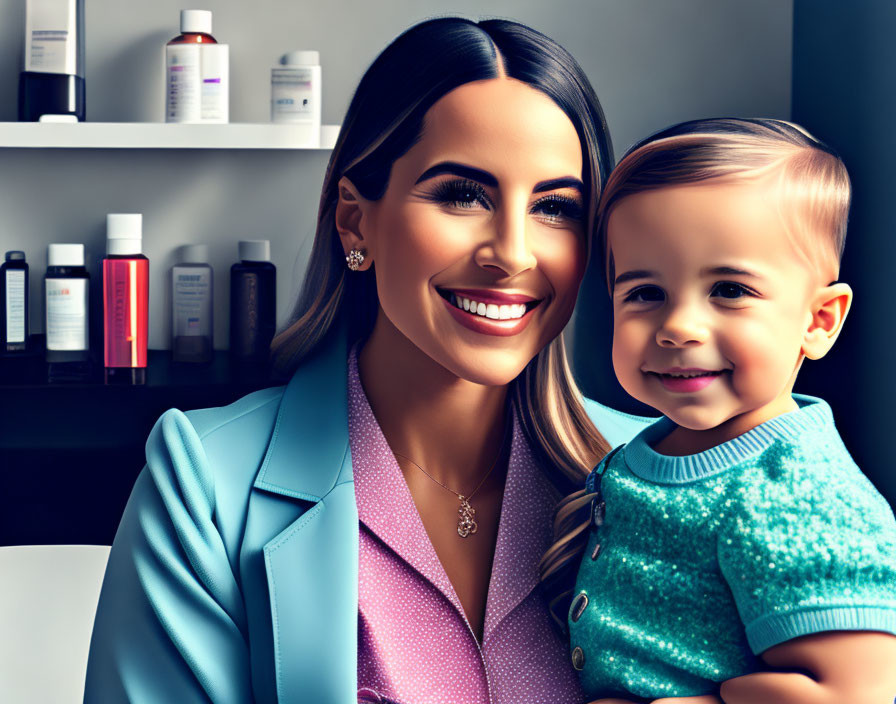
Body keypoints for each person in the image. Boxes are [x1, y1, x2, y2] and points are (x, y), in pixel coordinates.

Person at [83, 17, 658, 703]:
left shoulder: (658, 473)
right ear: (357, 220)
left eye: (555, 207)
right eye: (462, 195)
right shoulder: (203, 486)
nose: (512, 252)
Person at [541, 118, 896, 704]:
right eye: (644, 293)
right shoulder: (647, 447)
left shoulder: (798, 494)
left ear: (818, 320)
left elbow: (859, 690)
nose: (678, 327)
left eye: (729, 290)